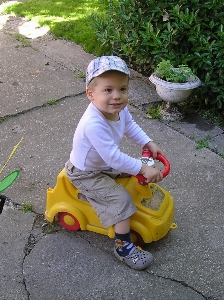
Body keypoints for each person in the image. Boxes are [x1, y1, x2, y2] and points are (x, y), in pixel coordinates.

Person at [65, 56, 164, 270]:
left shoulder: (118, 109)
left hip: (102, 165)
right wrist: (142, 167)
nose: (117, 96)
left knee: (135, 170)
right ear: (91, 94)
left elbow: (130, 127)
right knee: (121, 200)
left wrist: (148, 142)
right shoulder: (93, 123)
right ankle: (123, 246)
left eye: (122, 89)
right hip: (86, 173)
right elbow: (113, 157)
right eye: (108, 90)